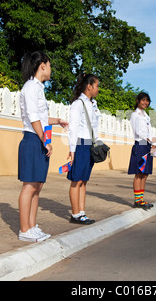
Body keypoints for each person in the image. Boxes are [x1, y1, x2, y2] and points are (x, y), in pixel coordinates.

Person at [18, 51, 68, 242]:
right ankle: (24, 229)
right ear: (42, 66)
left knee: (38, 186)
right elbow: (33, 117)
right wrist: (44, 140)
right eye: (50, 64)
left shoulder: (38, 88)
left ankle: (32, 226)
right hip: (32, 139)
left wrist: (58, 121)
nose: (51, 68)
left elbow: (41, 116)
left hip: (38, 138)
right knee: (29, 186)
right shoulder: (31, 87)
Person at [67, 73, 101, 224]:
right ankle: (75, 215)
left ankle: (82, 212)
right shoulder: (78, 104)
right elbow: (73, 129)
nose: (98, 89)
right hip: (80, 144)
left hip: (89, 145)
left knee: (84, 180)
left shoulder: (92, 104)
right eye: (97, 86)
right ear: (89, 86)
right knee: (76, 180)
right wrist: (72, 150)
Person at [128, 92, 156, 209]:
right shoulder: (135, 115)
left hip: (147, 145)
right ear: (138, 101)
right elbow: (138, 131)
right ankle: (137, 200)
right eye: (143, 100)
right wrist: (149, 139)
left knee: (145, 174)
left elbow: (149, 130)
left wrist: (153, 143)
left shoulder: (146, 116)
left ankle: (141, 198)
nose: (145, 103)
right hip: (140, 145)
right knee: (139, 173)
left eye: (147, 100)